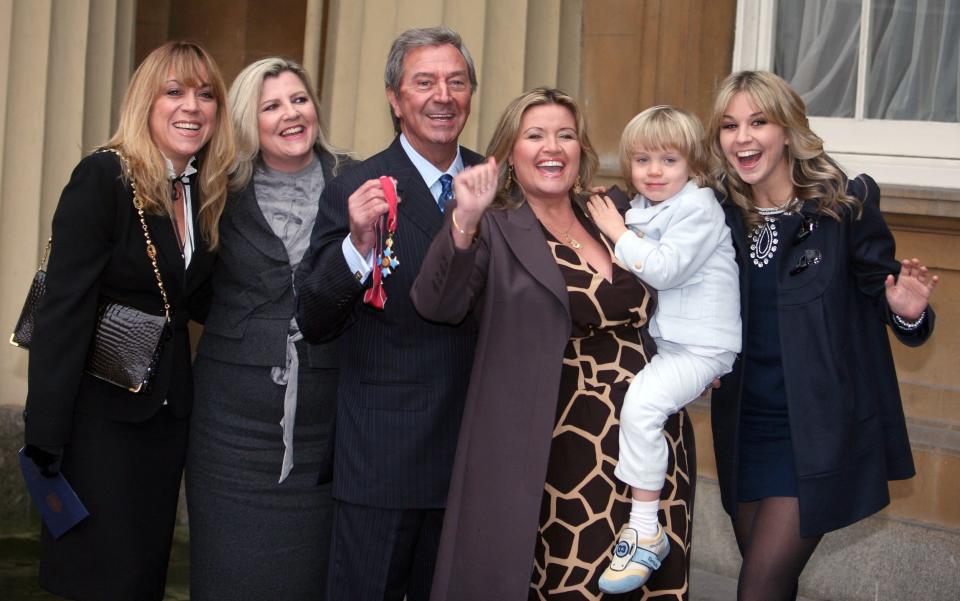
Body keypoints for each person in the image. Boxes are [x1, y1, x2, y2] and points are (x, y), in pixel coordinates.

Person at [411, 88, 695, 601]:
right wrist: (464, 221)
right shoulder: (494, 228)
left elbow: (688, 270)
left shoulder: (617, 213)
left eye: (565, 135)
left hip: (649, 448)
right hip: (556, 455)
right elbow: (438, 305)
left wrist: (706, 350)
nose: (553, 147)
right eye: (535, 135)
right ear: (510, 151)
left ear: (581, 148)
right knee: (572, 585)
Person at [705, 70, 938, 601]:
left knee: (758, 587)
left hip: (816, 430)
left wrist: (905, 309)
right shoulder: (715, 212)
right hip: (745, 426)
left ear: (787, 130)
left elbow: (886, 295)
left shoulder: (844, 205)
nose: (743, 137)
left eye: (758, 122)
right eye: (729, 125)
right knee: (771, 581)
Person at [21, 41, 234, 601]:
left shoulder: (203, 191)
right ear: (146, 101)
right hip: (99, 427)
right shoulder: (103, 177)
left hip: (166, 422)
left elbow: (201, 299)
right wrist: (45, 438)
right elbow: (63, 309)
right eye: (175, 91)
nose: (192, 106)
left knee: (142, 579)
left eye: (206, 94)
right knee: (100, 580)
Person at [295, 27, 483, 601]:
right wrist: (357, 245)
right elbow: (315, 317)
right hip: (384, 453)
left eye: (456, 82)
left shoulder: (497, 185)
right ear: (394, 98)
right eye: (423, 82)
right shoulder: (357, 185)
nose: (442, 96)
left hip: (476, 452)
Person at [186, 57, 353, 601]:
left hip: (326, 426)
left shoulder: (355, 182)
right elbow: (192, 283)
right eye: (272, 105)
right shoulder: (216, 189)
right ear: (247, 120)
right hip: (229, 429)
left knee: (310, 578)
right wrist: (251, 332)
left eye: (299, 100)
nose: (291, 114)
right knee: (229, 574)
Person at [585, 105, 741, 594]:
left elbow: (665, 268)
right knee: (638, 413)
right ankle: (643, 525)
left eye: (669, 161)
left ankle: (646, 528)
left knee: (641, 408)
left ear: (693, 167)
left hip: (700, 346)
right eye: (643, 159)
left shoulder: (699, 208)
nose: (654, 171)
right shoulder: (646, 209)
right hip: (675, 344)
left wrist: (616, 232)